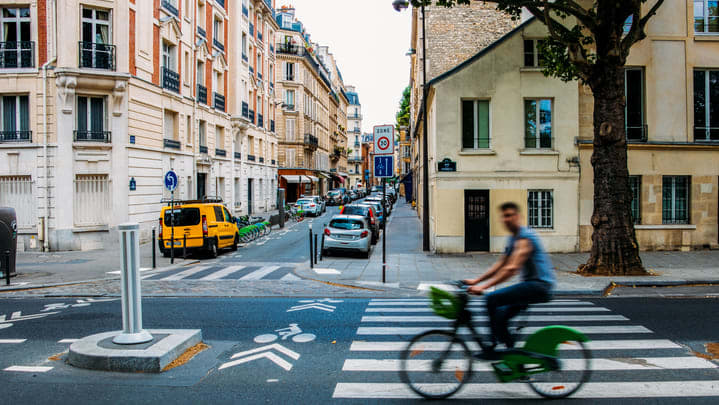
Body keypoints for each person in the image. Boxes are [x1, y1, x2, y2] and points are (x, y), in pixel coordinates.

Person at [462, 202, 555, 359]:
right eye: (504, 216)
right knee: (500, 317)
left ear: (518, 216)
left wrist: (484, 287)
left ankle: (491, 346)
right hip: (530, 286)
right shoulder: (513, 239)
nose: (507, 219)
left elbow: (512, 268)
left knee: (492, 298)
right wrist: (475, 281)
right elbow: (500, 264)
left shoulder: (525, 238)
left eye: (510, 215)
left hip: (539, 285)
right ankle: (515, 360)